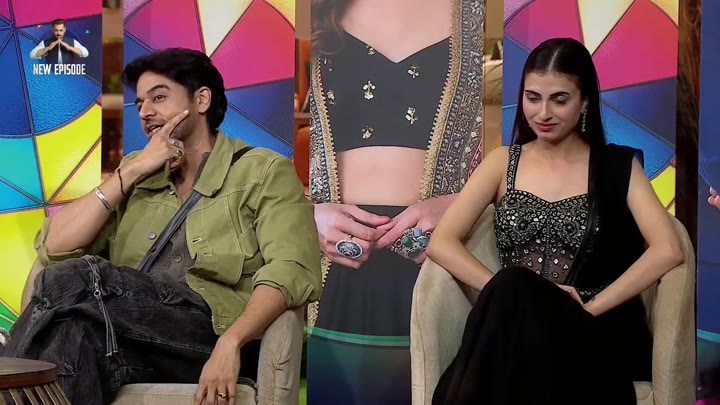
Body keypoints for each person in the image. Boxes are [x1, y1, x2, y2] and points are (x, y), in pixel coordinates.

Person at [1, 48, 321, 405]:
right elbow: (54, 248)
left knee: (78, 276)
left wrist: (232, 342)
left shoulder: (262, 171)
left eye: (159, 97)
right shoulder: (138, 174)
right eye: (140, 103)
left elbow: (291, 268)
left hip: (210, 334)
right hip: (134, 337)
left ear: (201, 100)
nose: (145, 112)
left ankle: (7, 363)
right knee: (71, 330)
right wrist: (133, 171)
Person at [426, 38, 684, 405]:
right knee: (512, 286)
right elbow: (442, 242)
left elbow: (668, 249)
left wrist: (590, 306)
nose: (543, 113)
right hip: (513, 329)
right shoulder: (502, 162)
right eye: (533, 98)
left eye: (559, 100)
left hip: (587, 331)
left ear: (585, 101)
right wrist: (504, 292)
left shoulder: (618, 165)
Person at [305, 0, 483, 403]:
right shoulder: (309, 11)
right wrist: (305, 215)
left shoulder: (485, 12)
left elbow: (530, 157)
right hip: (337, 261)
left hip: (437, 261)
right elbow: (253, 154)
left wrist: (465, 206)